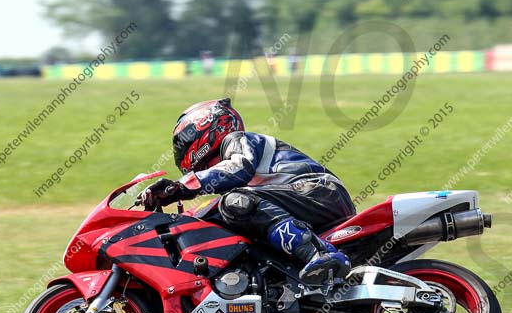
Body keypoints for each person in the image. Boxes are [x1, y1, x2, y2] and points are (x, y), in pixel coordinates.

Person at [139, 98, 355, 286]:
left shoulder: (237, 140)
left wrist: (182, 187)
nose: (181, 153)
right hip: (304, 200)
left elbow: (238, 168)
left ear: (206, 126)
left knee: (235, 202)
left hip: (319, 191)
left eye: (182, 143)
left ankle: (321, 253)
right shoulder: (233, 177)